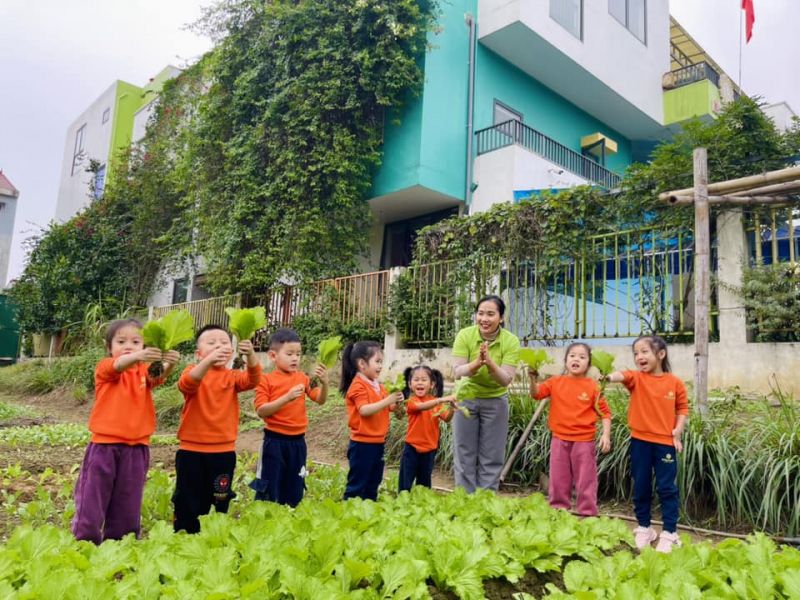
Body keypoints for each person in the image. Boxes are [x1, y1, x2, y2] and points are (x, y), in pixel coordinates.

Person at [72, 318, 180, 544]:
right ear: (109, 347)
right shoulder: (105, 367)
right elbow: (119, 365)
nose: (128, 346)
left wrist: (170, 362)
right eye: (121, 341)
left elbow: (157, 378)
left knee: (128, 500)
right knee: (92, 499)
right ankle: (84, 543)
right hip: (103, 447)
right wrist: (137, 356)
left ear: (144, 346)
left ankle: (120, 545)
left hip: (136, 448)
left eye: (136, 341)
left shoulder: (143, 372)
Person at [173, 324, 261, 533]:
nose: (218, 346)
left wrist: (250, 355)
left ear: (231, 352)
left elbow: (253, 379)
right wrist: (208, 362)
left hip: (222, 452)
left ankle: (214, 535)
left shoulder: (232, 377)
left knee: (220, 497)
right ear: (198, 353)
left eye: (223, 343)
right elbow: (187, 383)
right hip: (191, 452)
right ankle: (185, 534)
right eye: (211, 343)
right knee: (188, 497)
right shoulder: (192, 372)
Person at [606, 335, 688, 553]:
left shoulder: (675, 382)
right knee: (641, 485)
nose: (639, 357)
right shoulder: (636, 378)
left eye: (644, 352)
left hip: (665, 444)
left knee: (667, 488)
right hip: (640, 442)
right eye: (636, 353)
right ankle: (644, 527)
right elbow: (622, 375)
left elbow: (682, 409)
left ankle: (670, 532)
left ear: (660, 354)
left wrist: (678, 431)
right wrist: (607, 377)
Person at [528, 343, 611, 516]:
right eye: (572, 355)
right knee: (559, 479)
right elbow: (536, 394)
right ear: (566, 361)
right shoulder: (555, 382)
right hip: (559, 439)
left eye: (582, 357)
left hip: (584, 441)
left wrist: (606, 435)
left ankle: (587, 513)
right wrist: (532, 379)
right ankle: (558, 511)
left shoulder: (594, 386)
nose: (576, 359)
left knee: (585, 480)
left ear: (588, 364)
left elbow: (605, 414)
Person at [250, 328, 329, 506]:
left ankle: (290, 515)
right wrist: (286, 398)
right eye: (289, 354)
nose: (295, 358)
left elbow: (320, 400)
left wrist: (325, 384)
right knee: (269, 485)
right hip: (274, 441)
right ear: (273, 356)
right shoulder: (266, 380)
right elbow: (261, 410)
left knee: (294, 485)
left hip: (298, 442)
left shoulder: (303, 378)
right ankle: (264, 518)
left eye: (298, 354)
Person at [451, 295, 520, 492]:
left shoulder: (511, 341)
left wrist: (489, 363)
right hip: (466, 398)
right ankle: (465, 499)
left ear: (501, 318)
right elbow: (457, 372)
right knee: (464, 451)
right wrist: (477, 362)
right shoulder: (465, 335)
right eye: (480, 313)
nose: (484, 319)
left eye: (491, 314)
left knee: (492, 454)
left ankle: (486, 499)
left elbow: (506, 379)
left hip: (496, 400)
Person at [341, 340, 404, 501]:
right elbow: (364, 410)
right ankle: (348, 512)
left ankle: (369, 511)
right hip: (362, 444)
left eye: (381, 362)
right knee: (357, 483)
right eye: (377, 361)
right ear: (362, 363)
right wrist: (387, 400)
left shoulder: (379, 386)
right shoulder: (357, 386)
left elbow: (393, 411)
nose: (380, 366)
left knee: (373, 481)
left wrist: (398, 403)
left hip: (378, 442)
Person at [398, 365, 455, 493]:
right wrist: (441, 399)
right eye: (416, 380)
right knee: (405, 483)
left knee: (424, 484)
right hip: (412, 448)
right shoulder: (411, 401)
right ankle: (401, 503)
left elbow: (446, 418)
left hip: (430, 449)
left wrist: (451, 408)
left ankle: (421, 505)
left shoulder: (436, 402)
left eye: (424, 380)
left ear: (432, 384)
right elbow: (421, 406)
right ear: (409, 384)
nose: (419, 383)